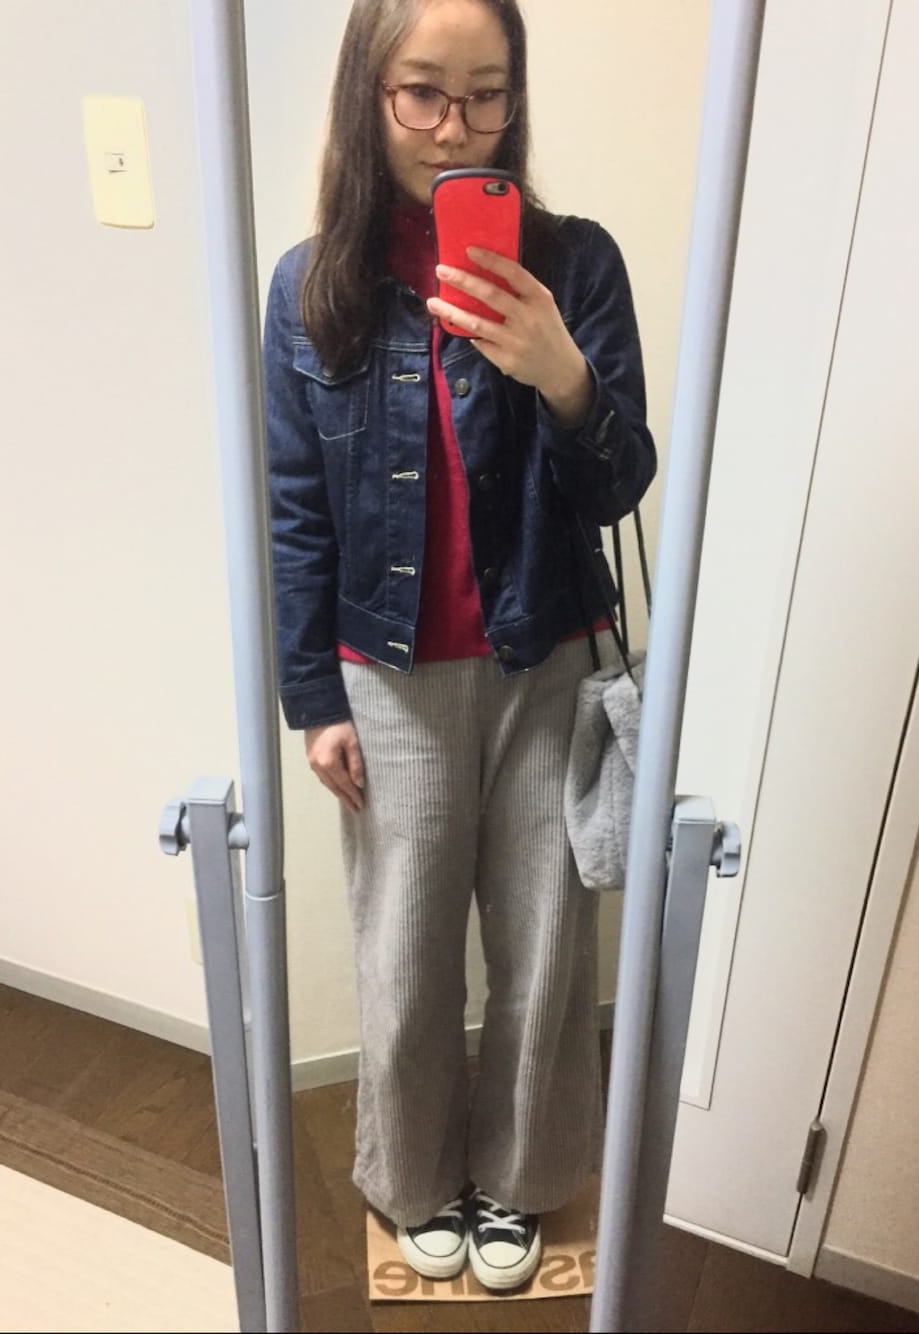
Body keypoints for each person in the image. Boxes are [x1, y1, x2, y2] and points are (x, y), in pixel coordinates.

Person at [263, 0, 656, 1293]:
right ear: (368, 95)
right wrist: (311, 696)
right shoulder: (312, 286)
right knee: (407, 949)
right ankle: (416, 1177)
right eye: (423, 92)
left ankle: (521, 1181)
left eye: (487, 94)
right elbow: (296, 506)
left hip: (548, 658)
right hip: (386, 680)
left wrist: (562, 373)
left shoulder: (577, 267)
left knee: (546, 947)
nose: (454, 127)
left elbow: (621, 482)